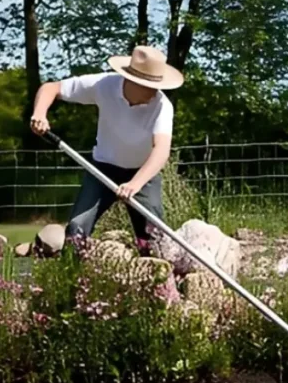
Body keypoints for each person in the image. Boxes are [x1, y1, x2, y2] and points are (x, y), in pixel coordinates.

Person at [28, 45, 183, 252]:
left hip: (142, 174)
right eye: (149, 85)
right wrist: (39, 113)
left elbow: (161, 150)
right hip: (102, 170)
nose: (154, 91)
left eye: (157, 85)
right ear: (131, 80)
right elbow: (51, 88)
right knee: (77, 229)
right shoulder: (103, 85)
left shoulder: (162, 107)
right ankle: (74, 269)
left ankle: (155, 269)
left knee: (154, 237)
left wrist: (135, 184)